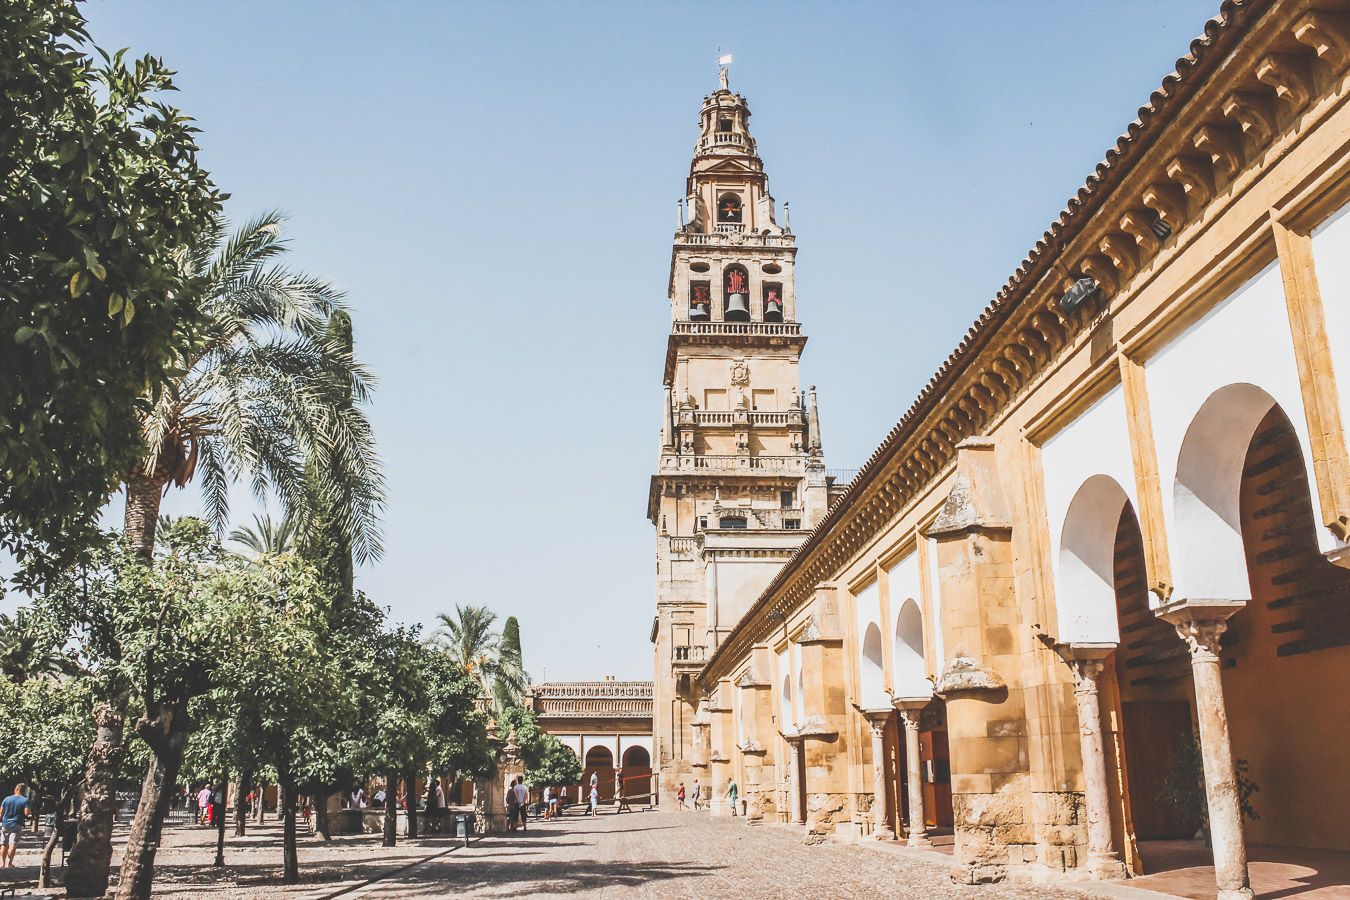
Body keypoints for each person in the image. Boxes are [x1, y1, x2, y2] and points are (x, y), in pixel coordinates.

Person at [1, 784, 29, 867]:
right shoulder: (25, 800)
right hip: (17, 824)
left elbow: (1, 812)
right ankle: (10, 863)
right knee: (13, 844)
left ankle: (2, 863)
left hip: (5, 824)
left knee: (4, 844)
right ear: (24, 791)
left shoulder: (6, 799)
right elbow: (27, 813)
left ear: (16, 789)